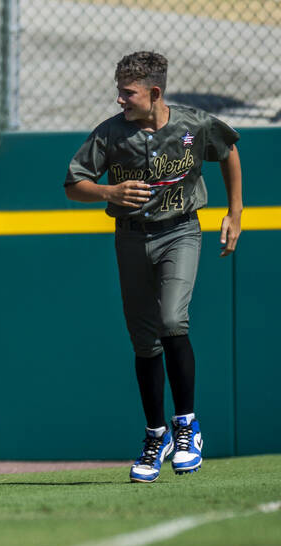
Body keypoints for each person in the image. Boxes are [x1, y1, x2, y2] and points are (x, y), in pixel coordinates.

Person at [64, 51, 241, 483]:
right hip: (130, 237)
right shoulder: (110, 133)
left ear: (154, 92)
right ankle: (155, 434)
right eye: (120, 91)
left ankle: (186, 426)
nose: (120, 99)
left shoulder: (193, 124)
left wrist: (235, 213)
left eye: (129, 92)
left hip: (180, 231)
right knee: (144, 341)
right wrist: (109, 193)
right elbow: (74, 184)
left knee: (170, 319)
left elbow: (229, 150)